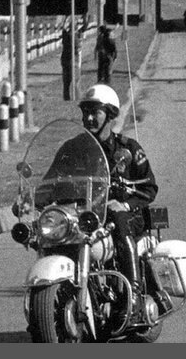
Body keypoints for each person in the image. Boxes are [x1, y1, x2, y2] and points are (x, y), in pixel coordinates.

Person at [76, 84, 158, 296]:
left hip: (127, 214)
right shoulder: (74, 148)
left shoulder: (128, 148)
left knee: (119, 219)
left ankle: (134, 290)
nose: (89, 118)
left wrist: (125, 205)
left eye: (96, 112)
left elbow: (149, 187)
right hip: (86, 213)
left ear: (110, 115)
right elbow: (54, 178)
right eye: (86, 112)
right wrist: (33, 199)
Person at [60, 21, 75, 101]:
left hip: (64, 59)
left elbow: (63, 29)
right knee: (69, 79)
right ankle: (67, 96)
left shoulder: (66, 35)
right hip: (69, 59)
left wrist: (65, 20)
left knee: (66, 80)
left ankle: (66, 96)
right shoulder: (70, 37)